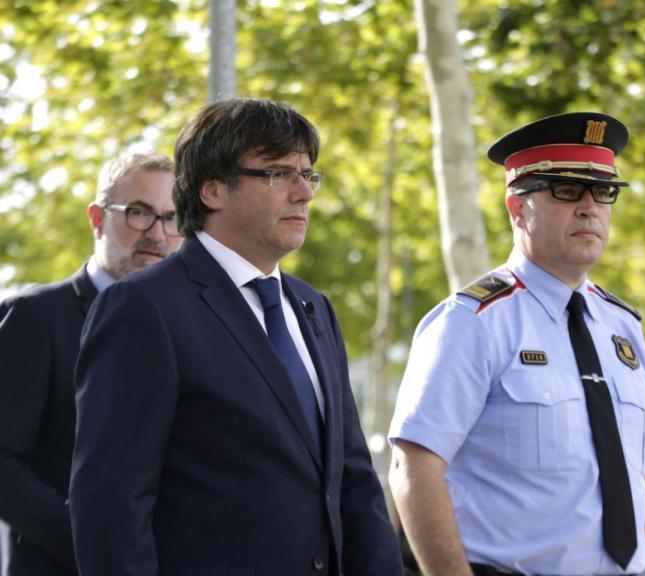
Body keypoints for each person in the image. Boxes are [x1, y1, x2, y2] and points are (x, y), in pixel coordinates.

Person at [69, 98, 402, 575]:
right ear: (212, 191)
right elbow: (111, 502)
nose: (303, 193)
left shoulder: (313, 308)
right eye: (277, 174)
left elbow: (353, 479)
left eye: (307, 175)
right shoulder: (145, 307)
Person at [389, 112, 645, 576]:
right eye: (566, 190)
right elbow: (412, 469)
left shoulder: (622, 327)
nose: (589, 207)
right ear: (517, 208)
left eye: (604, 192)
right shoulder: (473, 322)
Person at [0, 152, 181, 575]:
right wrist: (104, 546)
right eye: (139, 213)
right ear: (98, 219)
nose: (157, 233)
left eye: (173, 218)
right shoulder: (33, 317)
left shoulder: (188, 327)